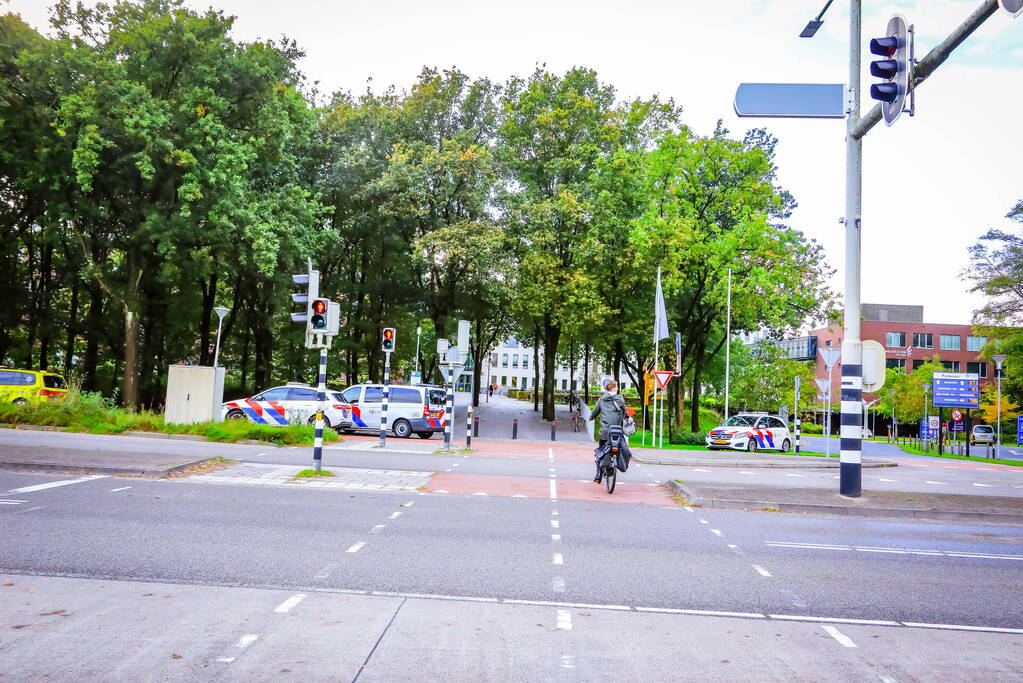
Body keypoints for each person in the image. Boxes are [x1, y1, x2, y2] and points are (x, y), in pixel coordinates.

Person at [588, 380, 626, 482]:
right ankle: (616, 465)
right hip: (617, 432)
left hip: (605, 432)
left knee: (601, 451)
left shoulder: (601, 399)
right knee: (621, 447)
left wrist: (591, 418)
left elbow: (594, 412)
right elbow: (624, 413)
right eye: (617, 387)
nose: (617, 388)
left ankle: (598, 474)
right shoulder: (620, 399)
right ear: (614, 388)